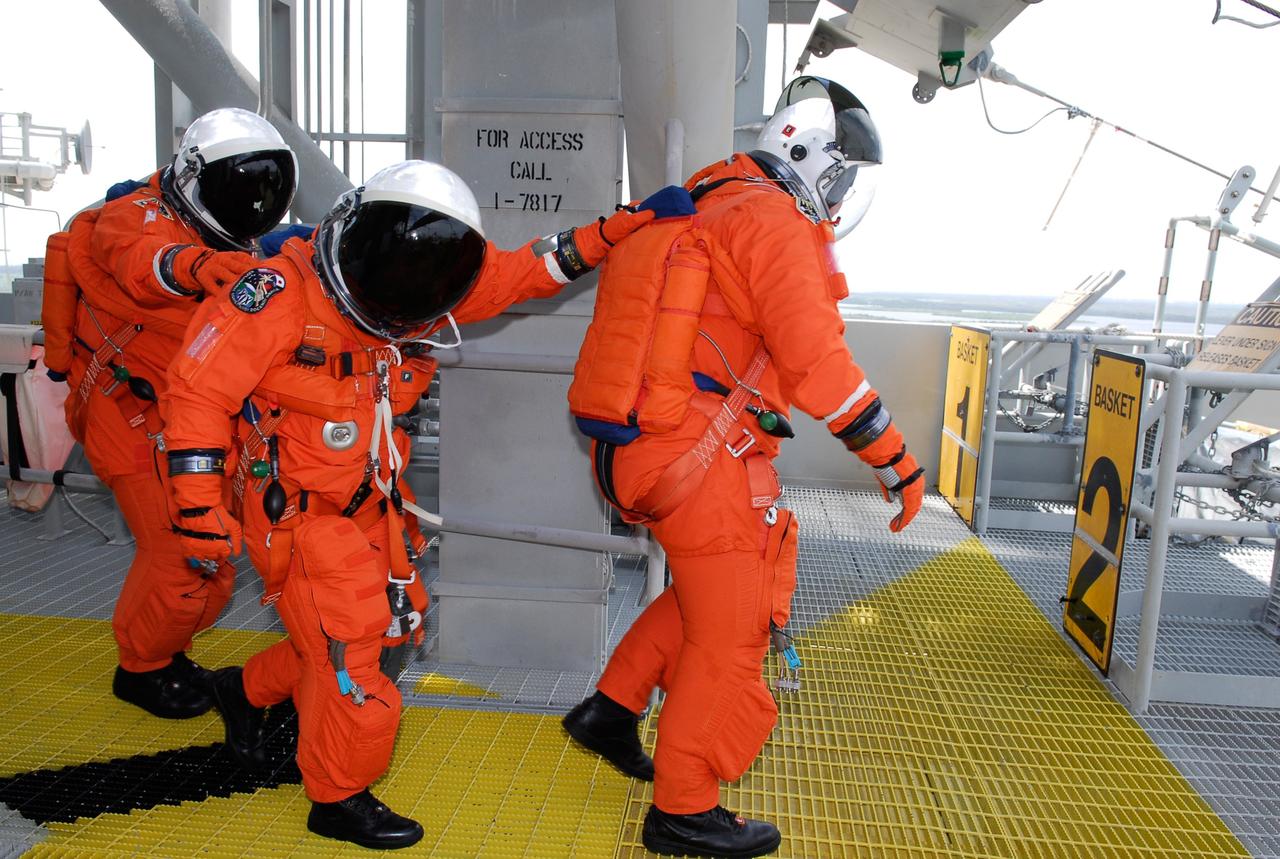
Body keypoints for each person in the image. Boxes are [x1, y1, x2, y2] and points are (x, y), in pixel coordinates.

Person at [160, 159, 651, 849]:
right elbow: (197, 392)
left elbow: (521, 274)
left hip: (373, 499)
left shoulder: (424, 289)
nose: (403, 301)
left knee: (392, 630)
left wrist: (614, 231)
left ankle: (244, 691)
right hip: (296, 509)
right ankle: (337, 796)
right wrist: (196, 504)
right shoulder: (275, 295)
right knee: (353, 642)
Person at [560, 76, 924, 858]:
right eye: (843, 174)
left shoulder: (705, 200)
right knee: (733, 634)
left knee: (701, 598)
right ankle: (683, 809)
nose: (844, 192)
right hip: (700, 458)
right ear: (809, 157)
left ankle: (611, 711)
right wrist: (894, 458)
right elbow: (819, 363)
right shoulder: (772, 221)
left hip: (639, 452)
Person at [41, 107, 297, 719]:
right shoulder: (133, 219)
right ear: (192, 177)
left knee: (209, 564)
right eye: (236, 191)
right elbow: (144, 263)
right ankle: (142, 670)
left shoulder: (230, 234)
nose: (250, 206)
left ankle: (167, 652)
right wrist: (204, 267)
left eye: (263, 193)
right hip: (128, 413)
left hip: (186, 414)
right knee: (180, 554)